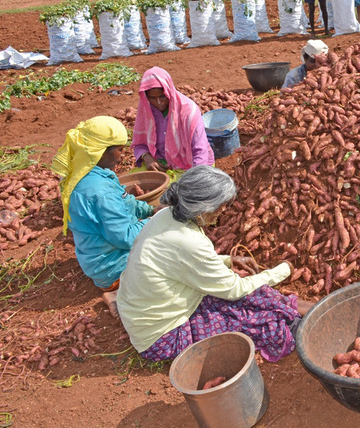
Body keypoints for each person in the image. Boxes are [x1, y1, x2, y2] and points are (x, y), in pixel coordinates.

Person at [117, 165, 314, 362]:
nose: (223, 210)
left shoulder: (167, 215)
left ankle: (290, 307)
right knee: (247, 320)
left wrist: (228, 260)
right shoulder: (188, 240)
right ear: (202, 208)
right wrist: (282, 271)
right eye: (220, 205)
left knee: (250, 292)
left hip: (155, 307)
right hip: (162, 336)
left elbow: (182, 262)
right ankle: (292, 321)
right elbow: (234, 289)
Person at [52, 116, 155, 317]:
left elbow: (127, 202)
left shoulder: (93, 173)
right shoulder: (100, 191)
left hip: (97, 259)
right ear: (101, 151)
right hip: (112, 266)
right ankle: (119, 293)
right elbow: (125, 237)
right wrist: (155, 222)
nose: (122, 156)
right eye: (119, 150)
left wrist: (149, 210)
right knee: (172, 253)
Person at [132, 66, 214, 174]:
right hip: (161, 164)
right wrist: (146, 157)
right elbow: (139, 144)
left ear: (169, 92)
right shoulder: (146, 111)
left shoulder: (188, 111)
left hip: (191, 166)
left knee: (176, 190)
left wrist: (196, 178)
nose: (159, 102)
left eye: (162, 96)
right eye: (152, 98)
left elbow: (200, 152)